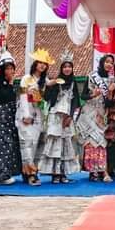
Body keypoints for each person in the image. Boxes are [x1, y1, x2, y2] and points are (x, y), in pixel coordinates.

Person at [39, 55, 81, 183]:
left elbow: (76, 101)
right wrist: (49, 85)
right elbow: (46, 98)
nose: (67, 69)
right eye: (65, 67)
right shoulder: (56, 81)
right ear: (61, 69)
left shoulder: (73, 83)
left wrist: (70, 116)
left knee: (65, 144)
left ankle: (62, 173)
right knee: (54, 144)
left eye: (69, 67)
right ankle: (54, 173)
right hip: (55, 115)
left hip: (67, 117)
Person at [17, 49, 52, 186]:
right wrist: (26, 114)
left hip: (39, 115)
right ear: (35, 64)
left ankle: (33, 171)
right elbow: (23, 97)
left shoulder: (45, 81)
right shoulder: (26, 79)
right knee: (27, 144)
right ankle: (30, 173)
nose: (42, 66)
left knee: (37, 145)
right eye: (40, 63)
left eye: (45, 64)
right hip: (26, 114)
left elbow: (47, 99)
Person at [0, 52, 22, 185]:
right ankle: (0, 174)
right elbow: (4, 97)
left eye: (12, 68)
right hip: (2, 118)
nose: (10, 71)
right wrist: (10, 85)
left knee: (10, 144)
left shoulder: (12, 83)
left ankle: (4, 172)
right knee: (2, 145)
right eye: (7, 68)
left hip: (12, 117)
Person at [77, 54, 113, 182]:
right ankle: (92, 171)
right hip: (89, 113)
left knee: (101, 142)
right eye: (107, 61)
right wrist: (93, 94)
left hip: (101, 114)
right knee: (90, 142)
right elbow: (83, 96)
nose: (109, 64)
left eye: (111, 63)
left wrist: (109, 93)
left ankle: (102, 170)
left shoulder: (111, 80)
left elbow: (109, 103)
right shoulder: (91, 76)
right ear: (102, 62)